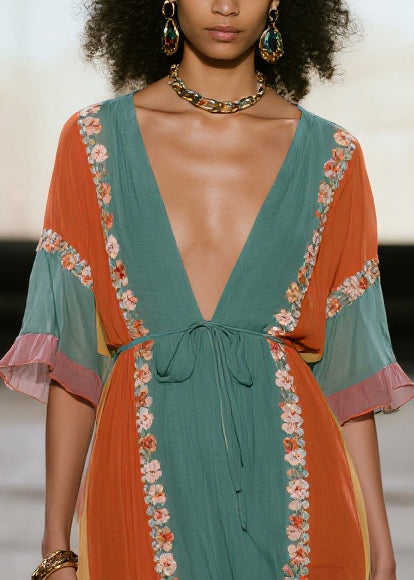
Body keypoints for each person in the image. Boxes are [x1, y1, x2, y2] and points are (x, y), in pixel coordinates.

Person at [1, 0, 413, 578]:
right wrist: (55, 547)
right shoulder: (93, 141)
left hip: (299, 488)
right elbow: (74, 364)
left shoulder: (333, 155)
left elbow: (348, 378)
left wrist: (383, 551)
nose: (226, 5)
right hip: (141, 480)